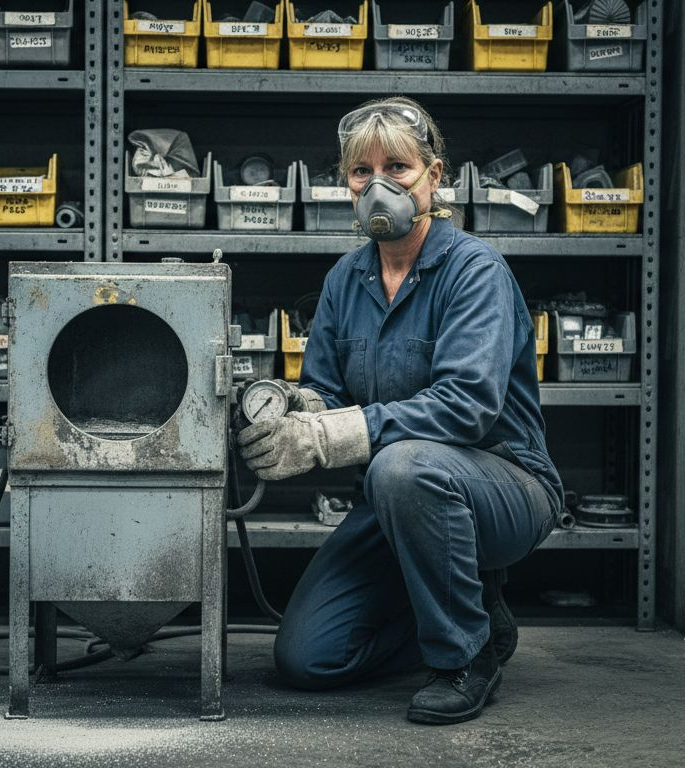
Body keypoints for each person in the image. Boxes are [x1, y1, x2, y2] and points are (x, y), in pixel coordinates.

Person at [237, 97, 563, 725]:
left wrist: (333, 434)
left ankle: (465, 659)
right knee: (307, 660)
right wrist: (295, 410)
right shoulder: (345, 279)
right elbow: (325, 394)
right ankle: (475, 615)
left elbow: (466, 407)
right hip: (397, 503)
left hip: (503, 484)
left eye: (399, 169)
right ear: (346, 182)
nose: (379, 185)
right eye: (362, 172)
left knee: (403, 467)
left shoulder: (475, 271)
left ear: (434, 176)